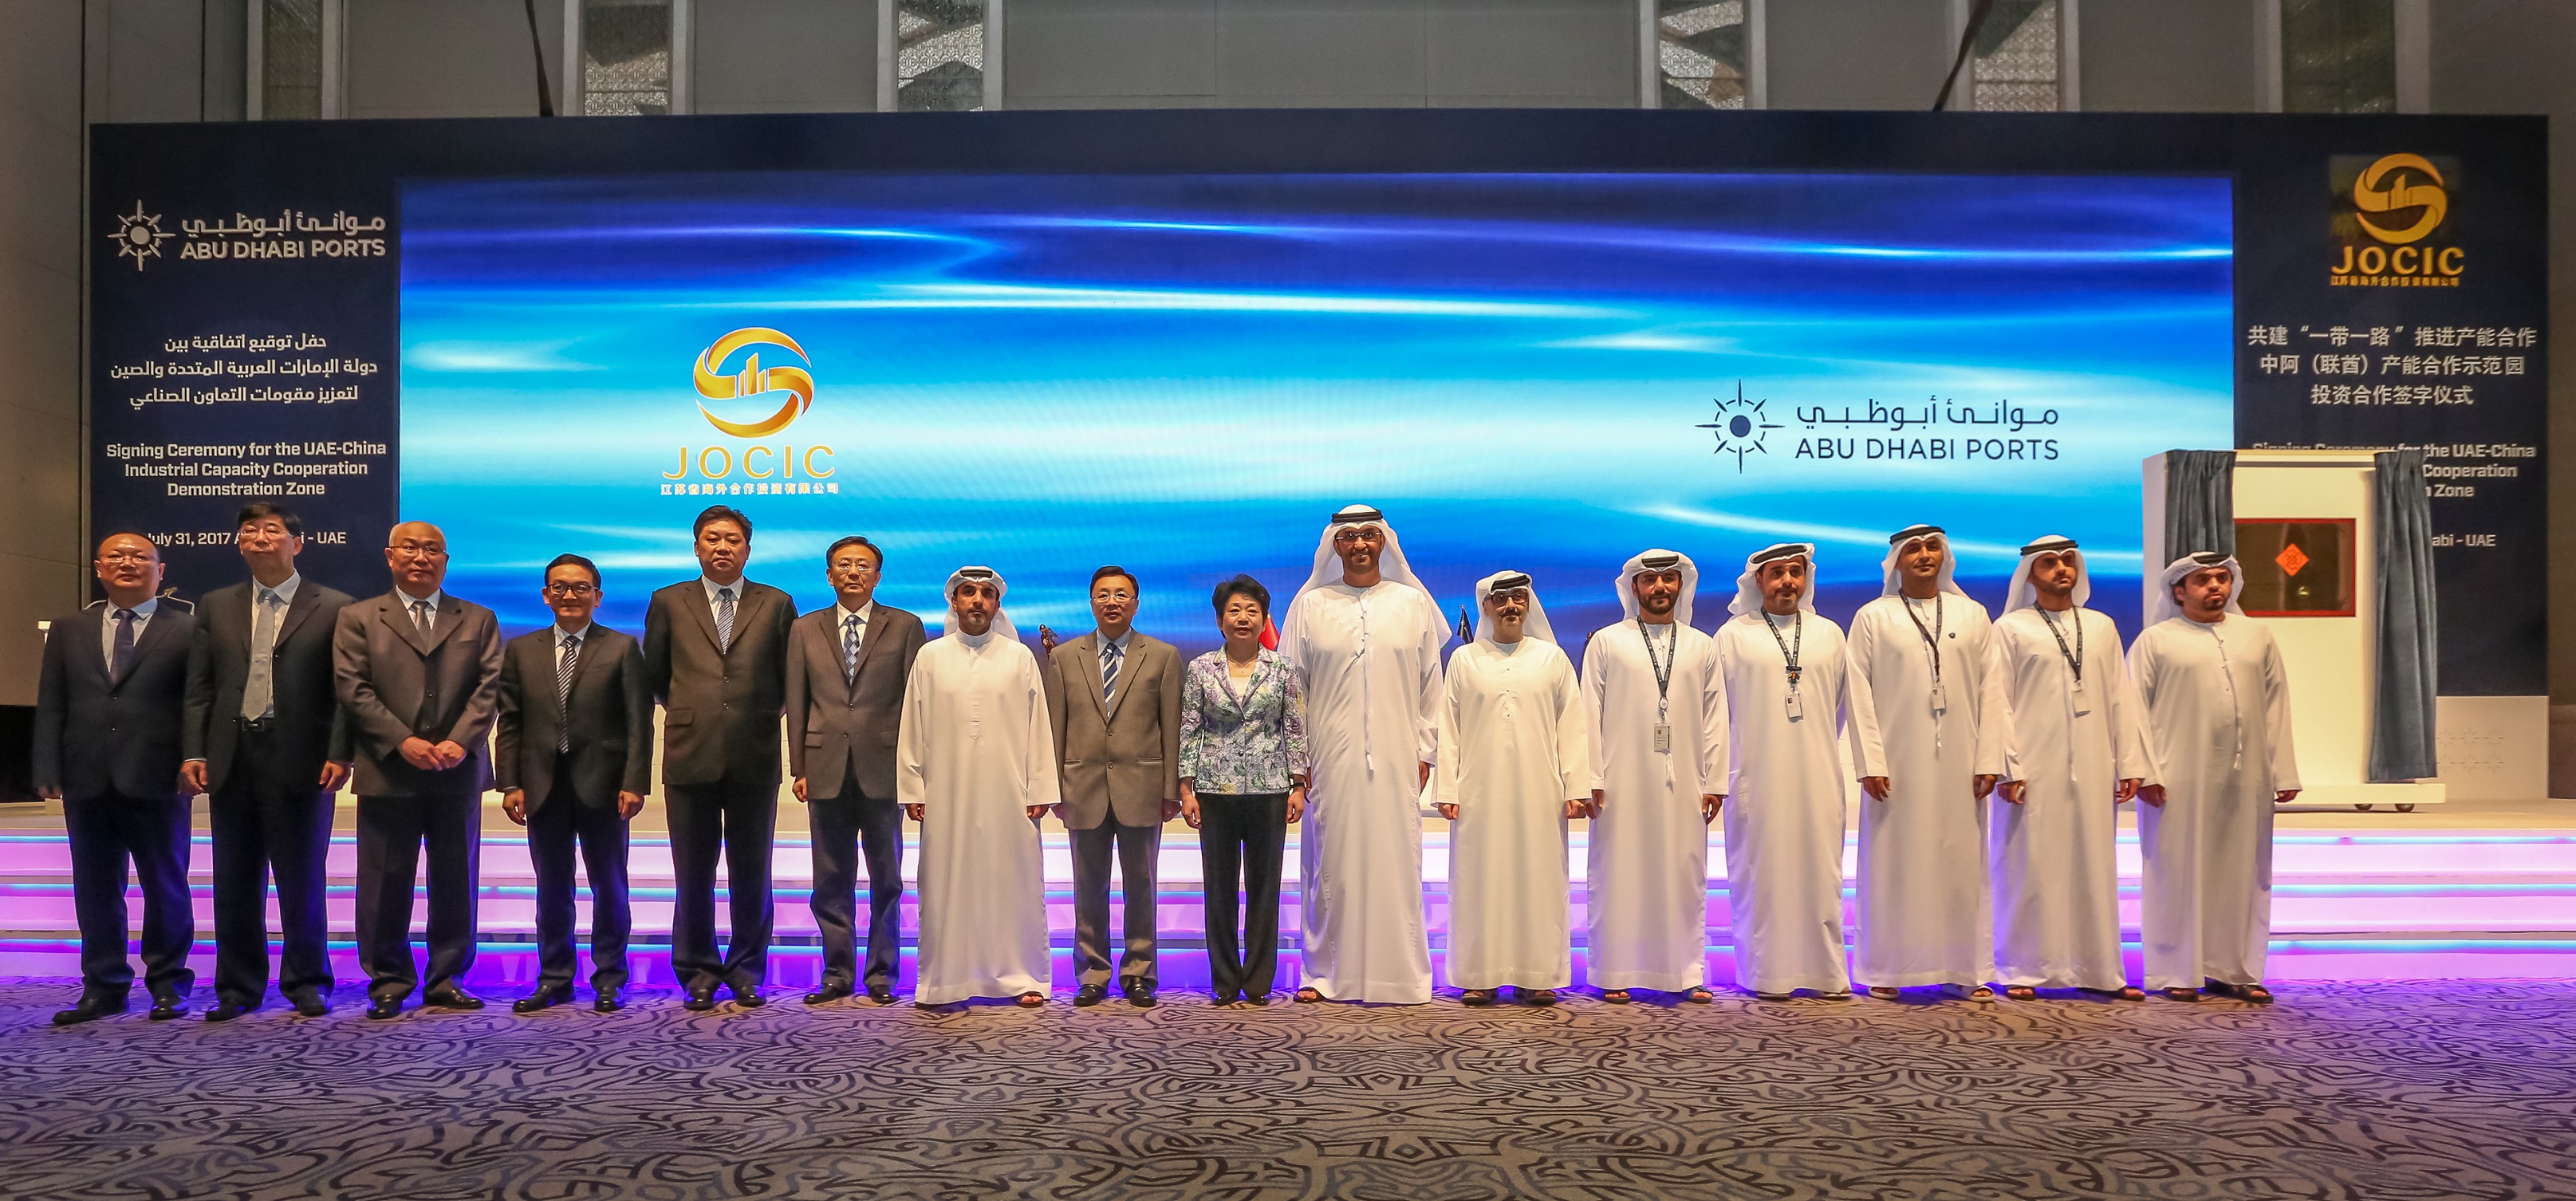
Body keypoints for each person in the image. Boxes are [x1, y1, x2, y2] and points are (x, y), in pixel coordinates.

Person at [181, 502, 354, 1022]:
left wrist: (341, 751)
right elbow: (200, 687)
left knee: (302, 879)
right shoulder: (216, 604)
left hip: (301, 759)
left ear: (297, 543)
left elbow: (346, 691)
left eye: (271, 530)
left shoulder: (334, 605)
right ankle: (237, 986)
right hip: (232, 757)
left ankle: (307, 981)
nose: (259, 538)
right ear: (239, 544)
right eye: (249, 531)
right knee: (235, 880)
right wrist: (194, 749)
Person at [333, 521, 504, 1020]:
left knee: (456, 878)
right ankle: (388, 978)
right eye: (410, 547)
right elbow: (353, 687)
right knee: (385, 880)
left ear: (446, 561)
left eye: (433, 549)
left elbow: (490, 687)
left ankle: (447, 977)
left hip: (456, 767)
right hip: (389, 768)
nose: (421, 556)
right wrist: (400, 740)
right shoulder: (359, 617)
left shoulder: (477, 618)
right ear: (390, 556)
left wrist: (460, 740)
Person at [1276, 505, 1447, 1005]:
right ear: (1334, 545)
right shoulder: (1309, 607)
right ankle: (1324, 973)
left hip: (1398, 757)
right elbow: (1293, 692)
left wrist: (1425, 753)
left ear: (1385, 543)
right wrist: (1298, 767)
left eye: (1370, 536)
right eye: (1348, 538)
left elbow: (1428, 690)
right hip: (1329, 758)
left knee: (1397, 861)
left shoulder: (1412, 604)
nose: (1360, 546)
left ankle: (1402, 975)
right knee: (1333, 864)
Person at [34, 533, 199, 1026]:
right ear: (99, 568)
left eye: (140, 557)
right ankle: (103, 986)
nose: (128, 563)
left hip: (160, 775)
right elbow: (53, 702)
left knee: (165, 884)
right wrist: (45, 766)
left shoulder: (189, 629)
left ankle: (169, 984)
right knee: (96, 887)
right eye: (116, 557)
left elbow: (198, 703)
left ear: (161, 570)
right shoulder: (68, 628)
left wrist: (196, 757)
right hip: (87, 775)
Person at [2129, 551, 2302, 1004]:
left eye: (2222, 579)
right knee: (2176, 869)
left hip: (2247, 777)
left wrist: (2283, 768)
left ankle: (2236, 969)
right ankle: (2176, 972)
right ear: (2179, 591)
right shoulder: (2155, 640)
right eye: (2203, 580)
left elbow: (2276, 704)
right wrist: (2142, 771)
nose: (2215, 587)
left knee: (2244, 869)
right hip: (2176, 775)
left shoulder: (2256, 635)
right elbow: (2133, 712)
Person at [1844, 525, 2007, 1002]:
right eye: (1913, 549)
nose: (1924, 555)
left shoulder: (1973, 614)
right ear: (1896, 560)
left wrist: (1989, 757)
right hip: (1895, 764)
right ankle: (1888, 967)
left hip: (1961, 759)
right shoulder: (1873, 617)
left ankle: (1965, 969)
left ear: (1945, 555)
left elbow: (1992, 691)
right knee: (1893, 861)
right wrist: (1870, 760)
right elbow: (1859, 695)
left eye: (1932, 547)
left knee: (1961, 862)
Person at [643, 505, 796, 1011]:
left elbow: (785, 679)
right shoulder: (668, 601)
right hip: (690, 751)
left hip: (754, 751)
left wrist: (750, 715)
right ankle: (698, 970)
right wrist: (696, 711)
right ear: (696, 546)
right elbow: (657, 678)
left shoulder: (776, 604)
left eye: (732, 539)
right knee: (693, 871)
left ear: (748, 548)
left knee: (753, 870)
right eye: (712, 539)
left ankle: (748, 968)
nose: (722, 547)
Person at [1989, 536, 2154, 1001]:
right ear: (2029, 574)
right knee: (2029, 863)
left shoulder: (2101, 626)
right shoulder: (2011, 628)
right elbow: (1998, 702)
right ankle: (2022, 968)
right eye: (2049, 563)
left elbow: (2121, 697)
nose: (2061, 569)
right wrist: (2007, 766)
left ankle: (2099, 970)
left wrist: (2130, 763)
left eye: (2067, 561)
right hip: (2030, 764)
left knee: (2092, 863)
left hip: (2095, 758)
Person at [494, 554, 652, 1014]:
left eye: (581, 588)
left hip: (604, 787)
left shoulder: (622, 648)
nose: (570, 595)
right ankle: (555, 978)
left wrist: (634, 782)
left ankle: (610, 979)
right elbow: (511, 722)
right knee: (552, 887)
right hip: (542, 786)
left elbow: (638, 724)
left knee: (610, 885)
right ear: (546, 595)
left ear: (597, 597)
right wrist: (510, 783)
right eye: (559, 587)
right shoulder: (521, 650)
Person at [900, 567, 1060, 1008]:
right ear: (953, 601)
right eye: (967, 593)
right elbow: (911, 725)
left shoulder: (1020, 657)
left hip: (1010, 793)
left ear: (997, 604)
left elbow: (1038, 726)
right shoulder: (929, 657)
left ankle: (1023, 975)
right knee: (945, 880)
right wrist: (913, 787)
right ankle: (944, 980)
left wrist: (1040, 787)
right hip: (945, 793)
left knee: (1015, 879)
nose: (976, 601)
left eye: (986, 594)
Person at [1435, 572, 1596, 1007]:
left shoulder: (1552, 659)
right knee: (1478, 879)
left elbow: (1572, 726)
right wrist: (1446, 787)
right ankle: (1479, 975)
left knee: (1539, 876)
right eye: (1500, 599)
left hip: (1540, 788)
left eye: (1518, 598)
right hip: (1478, 792)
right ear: (1486, 607)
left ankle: (1537, 973)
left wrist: (1575, 786)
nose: (1510, 606)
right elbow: (1449, 729)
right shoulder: (1465, 661)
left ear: (1528, 605)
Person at [786, 535, 927, 1006]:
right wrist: (799, 766)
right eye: (843, 565)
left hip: (883, 767)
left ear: (877, 575)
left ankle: (883, 973)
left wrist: (915, 774)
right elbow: (798, 700)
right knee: (830, 877)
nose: (853, 572)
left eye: (863, 565)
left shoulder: (906, 626)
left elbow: (915, 706)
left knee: (887, 877)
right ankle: (837, 972)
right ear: (829, 575)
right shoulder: (805, 629)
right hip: (824, 766)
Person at [1581, 549, 1727, 1006]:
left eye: (1669, 580)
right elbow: (1589, 712)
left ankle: (1685, 972)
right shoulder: (1607, 641)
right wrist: (1591, 776)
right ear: (1634, 588)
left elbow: (1715, 717)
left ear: (1681, 586)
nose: (1660, 588)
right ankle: (1614, 970)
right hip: (1619, 779)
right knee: (1619, 870)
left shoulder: (1702, 645)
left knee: (1684, 870)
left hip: (1684, 777)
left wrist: (1714, 781)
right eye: (1651, 581)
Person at [1712, 543, 1856, 1001]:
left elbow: (1837, 706)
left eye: (1796, 572)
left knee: (1822, 872)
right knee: (1761, 873)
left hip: (1816, 769)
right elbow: (1718, 713)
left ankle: (1826, 973)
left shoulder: (1830, 633)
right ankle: (1765, 973)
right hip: (1754, 772)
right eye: (1777, 573)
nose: (1787, 581)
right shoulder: (1732, 636)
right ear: (1759, 581)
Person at [1042, 565, 1184, 1009]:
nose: (1112, 602)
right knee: (1088, 886)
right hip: (1081, 787)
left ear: (1136, 603)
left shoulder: (1162, 656)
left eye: (1122, 595)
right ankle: (1093, 973)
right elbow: (1054, 728)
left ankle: (1140, 972)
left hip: (1141, 787)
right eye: (1103, 594)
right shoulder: (1064, 657)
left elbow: (1171, 729)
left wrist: (1170, 790)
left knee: (1142, 886)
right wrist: (1053, 788)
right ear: (1091, 602)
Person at [1177, 574, 1308, 1006]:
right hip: (1215, 792)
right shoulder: (1200, 669)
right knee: (1219, 889)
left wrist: (1299, 784)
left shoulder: (1283, 668)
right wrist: (1186, 787)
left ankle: (1257, 982)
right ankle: (1225, 981)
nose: (1243, 618)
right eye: (1234, 610)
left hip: (1270, 791)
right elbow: (1190, 729)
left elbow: (1293, 727)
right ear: (1219, 620)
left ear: (1264, 619)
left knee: (1264, 887)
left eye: (1252, 611)